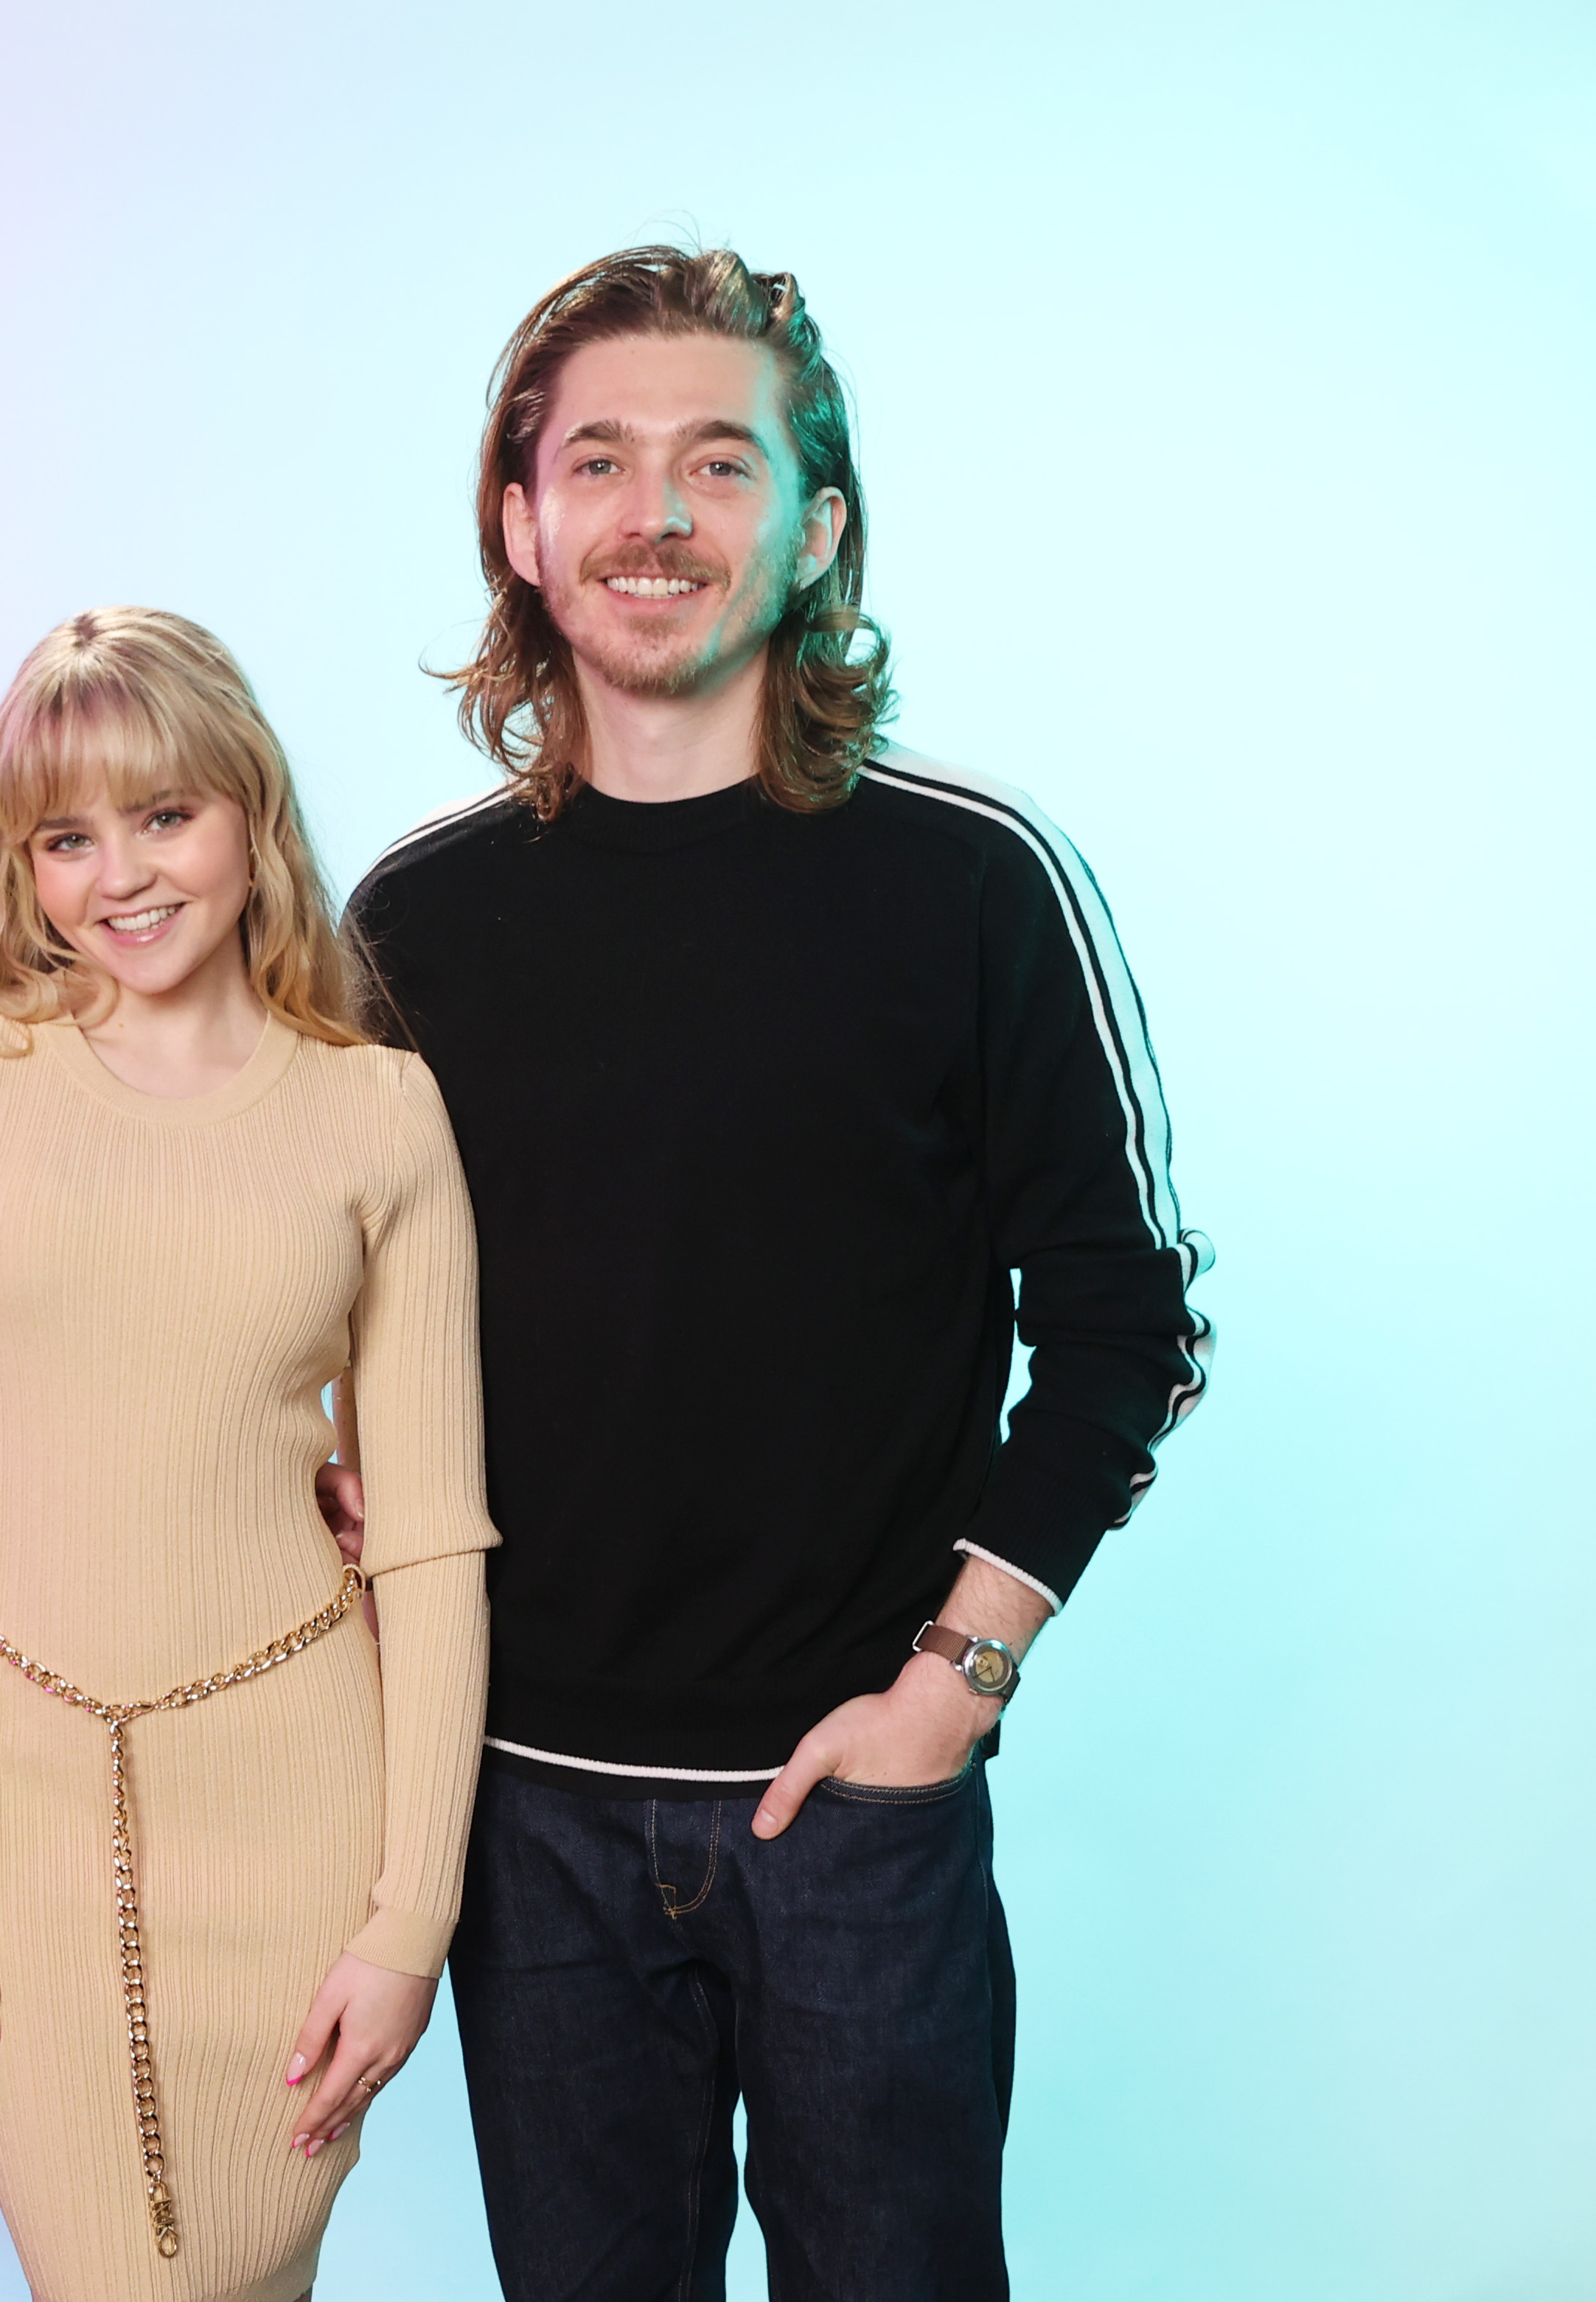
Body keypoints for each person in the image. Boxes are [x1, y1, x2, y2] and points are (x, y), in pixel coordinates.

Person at [343, 245, 1211, 2300]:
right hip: (524, 1807)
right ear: (522, 521)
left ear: (816, 529)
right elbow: (315, 1292)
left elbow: (1125, 1318)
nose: (656, 514)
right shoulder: (413, 924)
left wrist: (957, 1680)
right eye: (603, 461)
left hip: (856, 1796)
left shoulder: (975, 881)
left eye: (718, 465)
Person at [0, 607, 498, 2302]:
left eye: (162, 815)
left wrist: (405, 1919)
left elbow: (427, 1539)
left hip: (296, 1803)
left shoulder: (375, 1112)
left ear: (248, 817)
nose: (116, 876)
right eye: (64, 835)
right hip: (14, 1803)